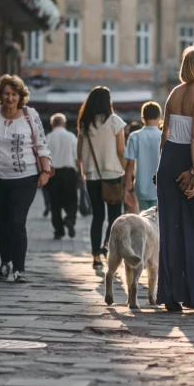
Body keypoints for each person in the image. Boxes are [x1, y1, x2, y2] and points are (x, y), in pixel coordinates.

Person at [156, 46, 194, 311]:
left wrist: (161, 166)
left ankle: (170, 294)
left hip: (169, 157)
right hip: (188, 156)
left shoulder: (174, 92)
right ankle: (192, 291)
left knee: (170, 229)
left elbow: (164, 133)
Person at [0, 74, 51, 283]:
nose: (10, 98)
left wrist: (46, 171)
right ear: (0, 95)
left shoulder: (30, 115)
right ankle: (5, 263)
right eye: (6, 94)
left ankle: (19, 269)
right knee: (1, 223)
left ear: (20, 96)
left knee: (17, 221)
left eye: (14, 94)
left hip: (25, 177)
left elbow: (41, 143)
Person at [77, 86, 127, 270]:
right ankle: (107, 245)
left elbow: (79, 153)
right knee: (115, 216)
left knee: (97, 216)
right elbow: (122, 150)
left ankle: (96, 256)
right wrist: (127, 171)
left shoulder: (85, 124)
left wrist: (83, 172)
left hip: (92, 176)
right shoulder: (115, 122)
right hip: (113, 174)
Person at [46, 113, 80, 240]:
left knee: (55, 204)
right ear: (64, 124)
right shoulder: (71, 137)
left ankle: (59, 231)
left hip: (53, 173)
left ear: (51, 124)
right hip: (69, 172)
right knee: (72, 200)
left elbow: (44, 158)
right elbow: (77, 158)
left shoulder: (48, 137)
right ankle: (70, 218)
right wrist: (81, 174)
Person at [125, 101, 162, 213]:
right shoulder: (164, 136)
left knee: (144, 218)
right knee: (159, 220)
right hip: (160, 186)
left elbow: (130, 164)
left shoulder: (134, 136)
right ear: (159, 117)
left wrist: (127, 188)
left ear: (142, 118)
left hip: (141, 186)